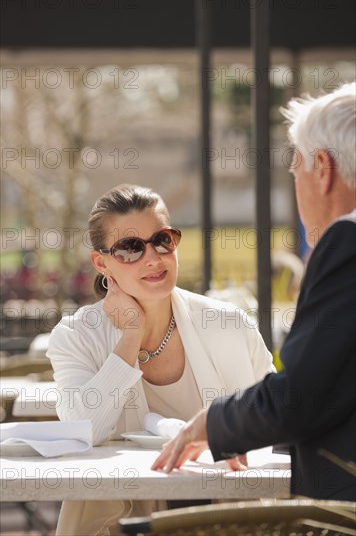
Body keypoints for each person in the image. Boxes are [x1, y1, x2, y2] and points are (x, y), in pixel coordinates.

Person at [153, 82, 356, 502]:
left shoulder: (347, 242)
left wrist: (214, 422)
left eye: (295, 168)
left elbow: (301, 395)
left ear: (322, 168)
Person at [47, 183, 275, 535]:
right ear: (101, 262)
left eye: (162, 240)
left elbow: (274, 417)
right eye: (130, 248)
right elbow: (83, 431)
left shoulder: (229, 323)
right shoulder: (75, 336)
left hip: (225, 520)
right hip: (114, 525)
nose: (153, 258)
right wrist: (131, 335)